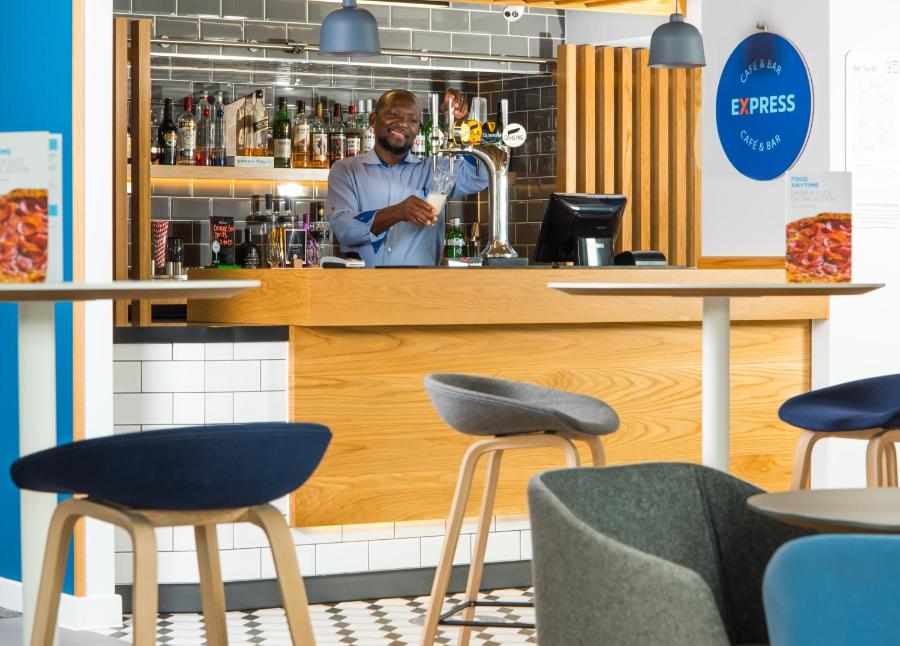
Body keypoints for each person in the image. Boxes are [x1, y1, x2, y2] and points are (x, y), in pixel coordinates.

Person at [325, 89, 488, 266]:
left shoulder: (435, 168)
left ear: (418, 129)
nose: (403, 124)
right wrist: (397, 212)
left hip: (421, 282)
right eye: (394, 115)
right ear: (373, 120)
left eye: (413, 120)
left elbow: (480, 176)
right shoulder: (346, 170)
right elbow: (344, 229)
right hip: (364, 282)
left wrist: (461, 124)